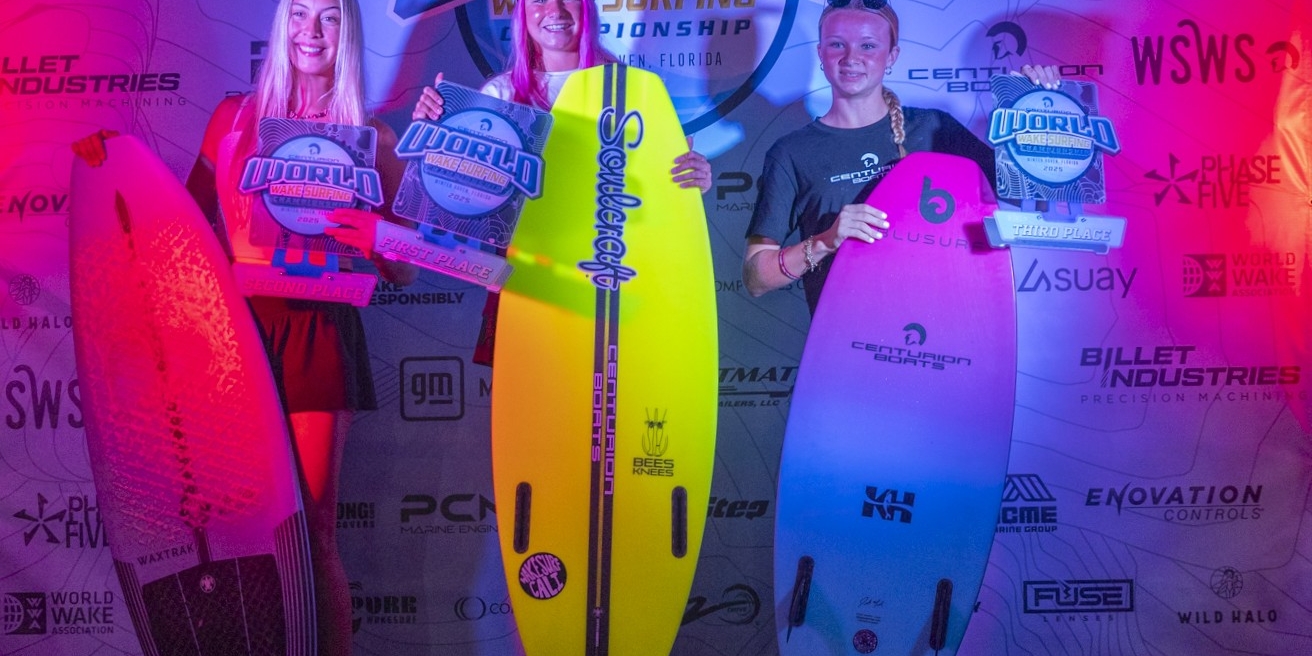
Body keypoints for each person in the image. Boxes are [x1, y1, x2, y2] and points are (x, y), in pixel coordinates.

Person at [184, 1, 415, 653]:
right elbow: (191, 227)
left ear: (349, 33)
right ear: (282, 25)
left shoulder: (372, 136)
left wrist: (369, 230)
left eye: (331, 18)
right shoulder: (233, 120)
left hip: (319, 336)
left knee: (313, 528)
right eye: (301, 14)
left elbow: (402, 275)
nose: (312, 32)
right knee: (239, 529)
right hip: (238, 336)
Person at [410, 0, 712, 364]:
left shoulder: (632, 91)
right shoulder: (500, 96)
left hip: (614, 283)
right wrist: (434, 132)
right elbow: (462, 203)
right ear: (521, 12)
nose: (554, 9)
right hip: (529, 287)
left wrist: (693, 177)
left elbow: (661, 195)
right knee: (535, 410)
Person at [742, 0, 1059, 314]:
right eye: (837, 44)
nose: (852, 58)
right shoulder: (791, 152)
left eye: (868, 45)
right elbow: (756, 278)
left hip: (950, 334)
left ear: (891, 56)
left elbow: (1035, 195)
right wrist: (826, 240)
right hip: (845, 346)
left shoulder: (935, 129)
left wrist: (1035, 113)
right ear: (821, 54)